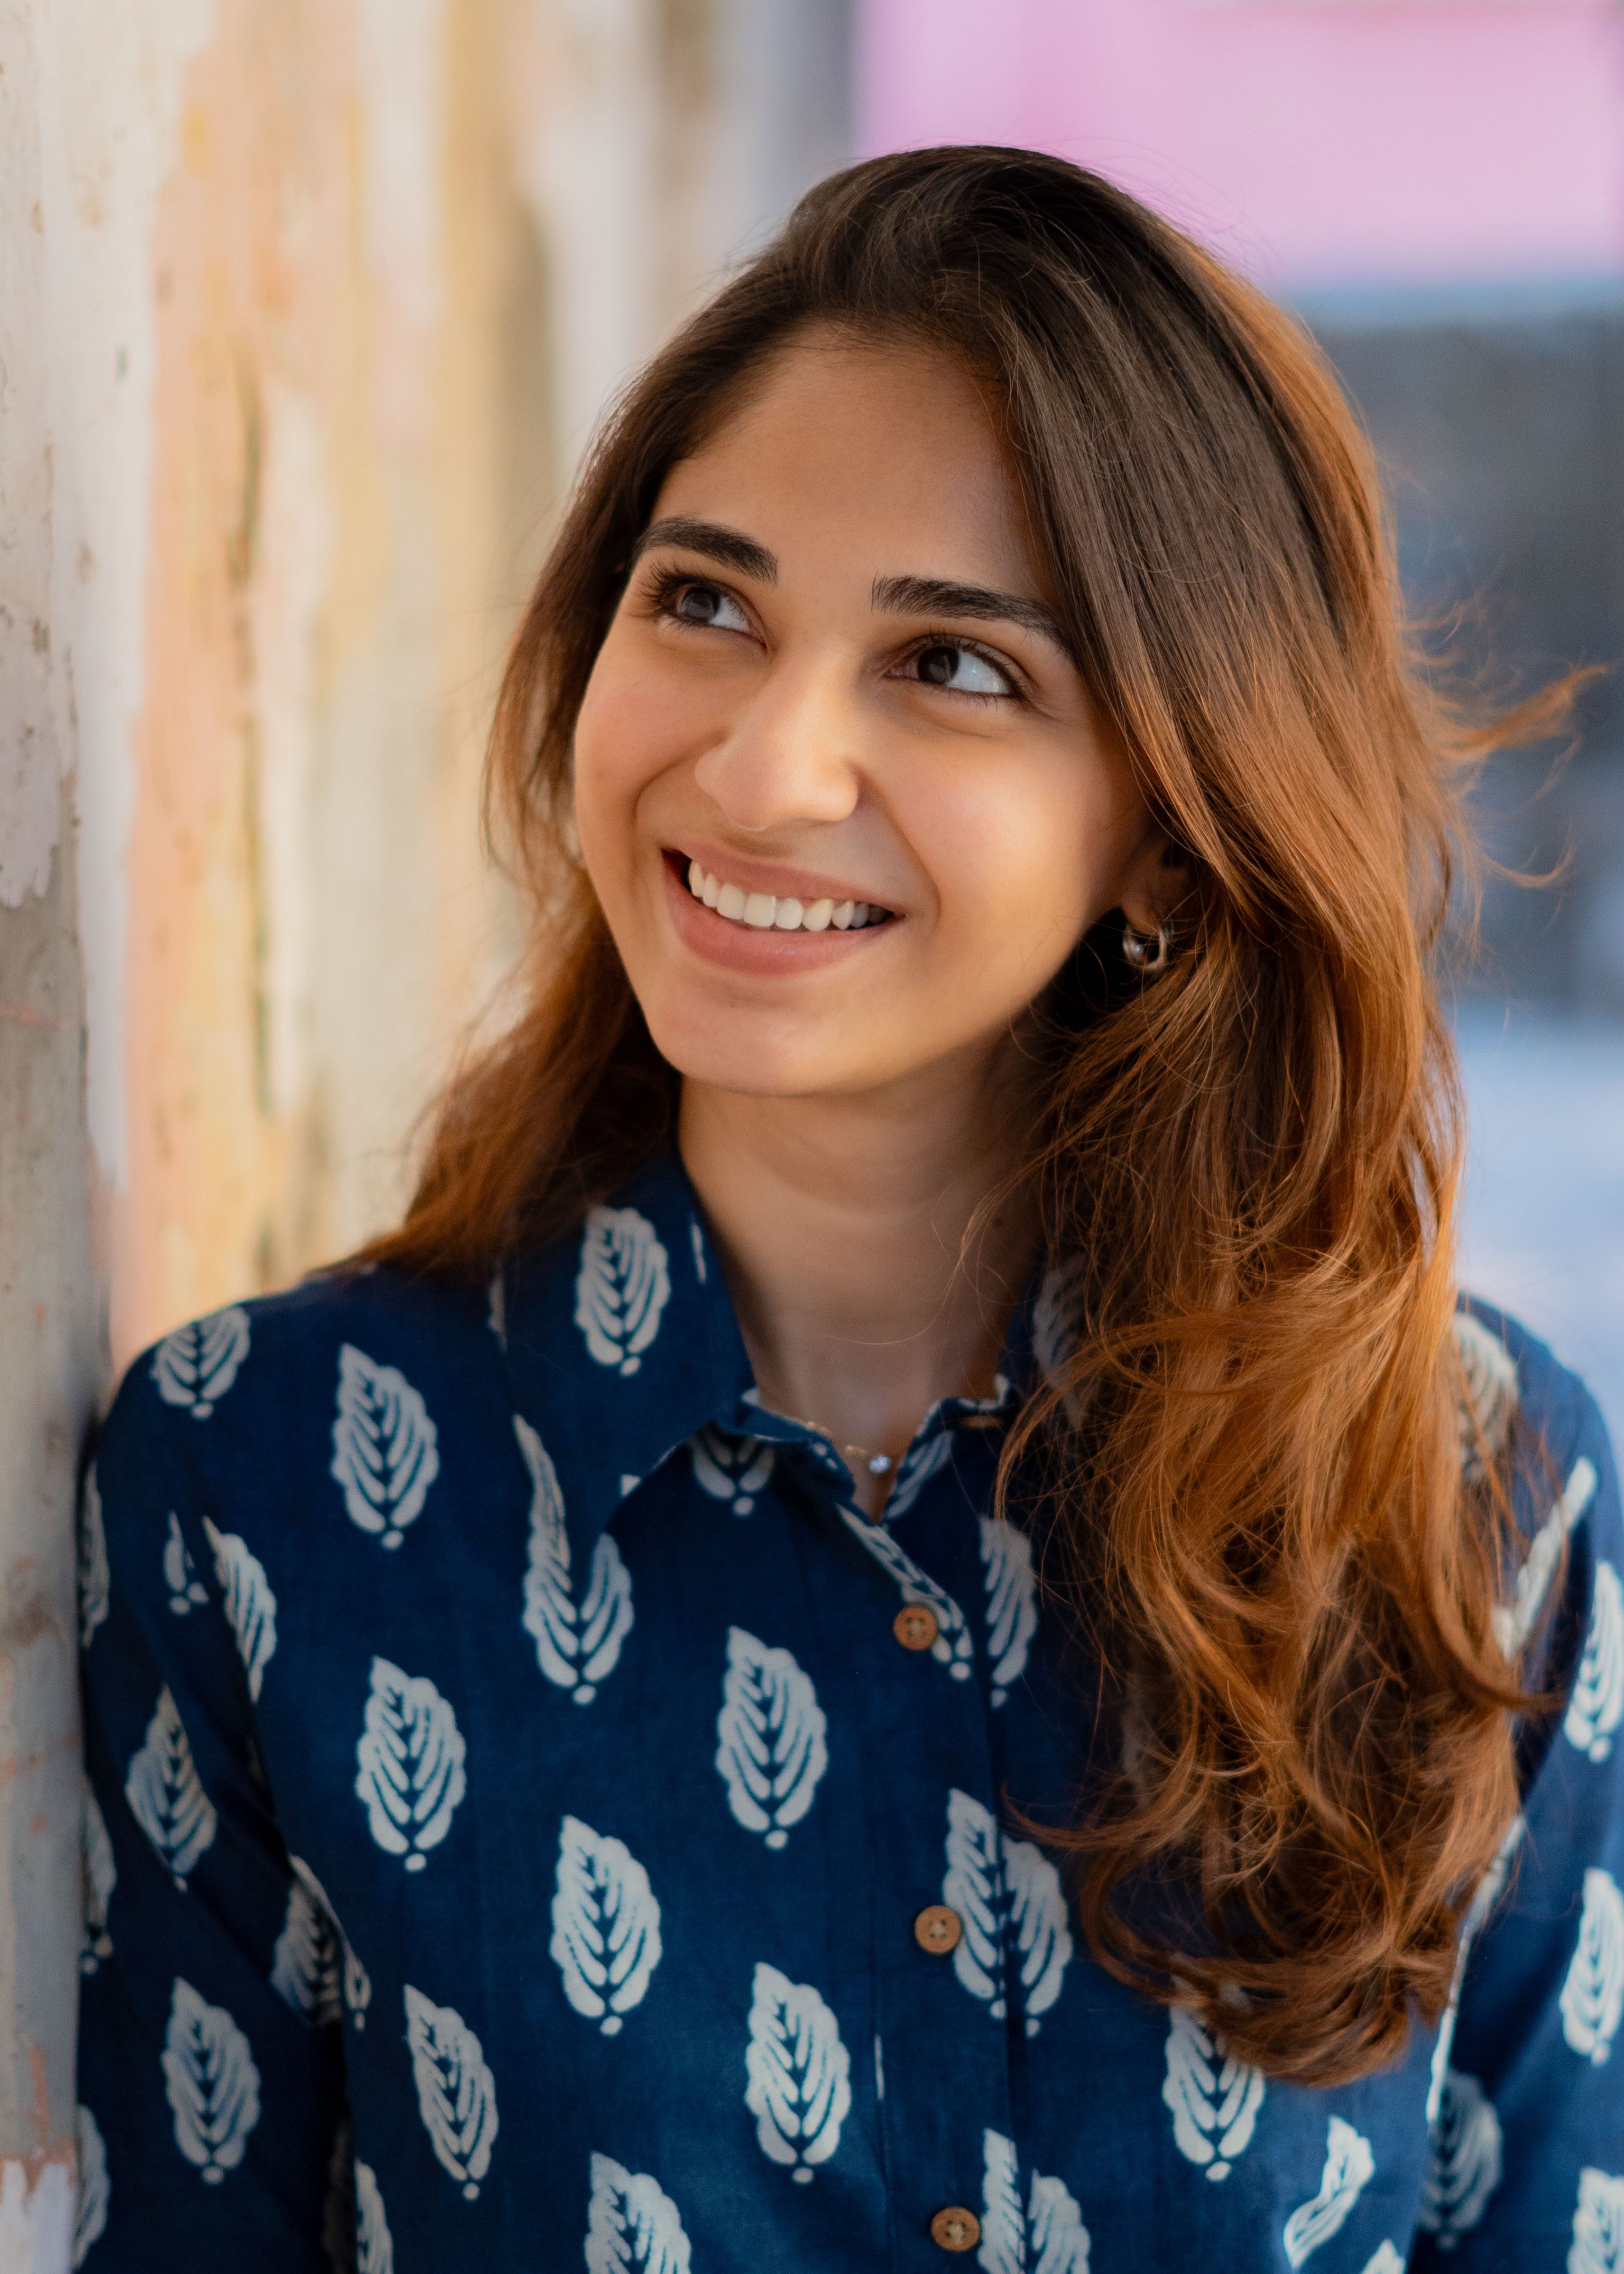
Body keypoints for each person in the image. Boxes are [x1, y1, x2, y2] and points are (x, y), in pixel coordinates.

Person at [75, 147, 1623, 2272]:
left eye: (954, 666)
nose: (764, 767)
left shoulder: (1473, 1494)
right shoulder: (263, 1485)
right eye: (705, 603)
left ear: (1172, 831)